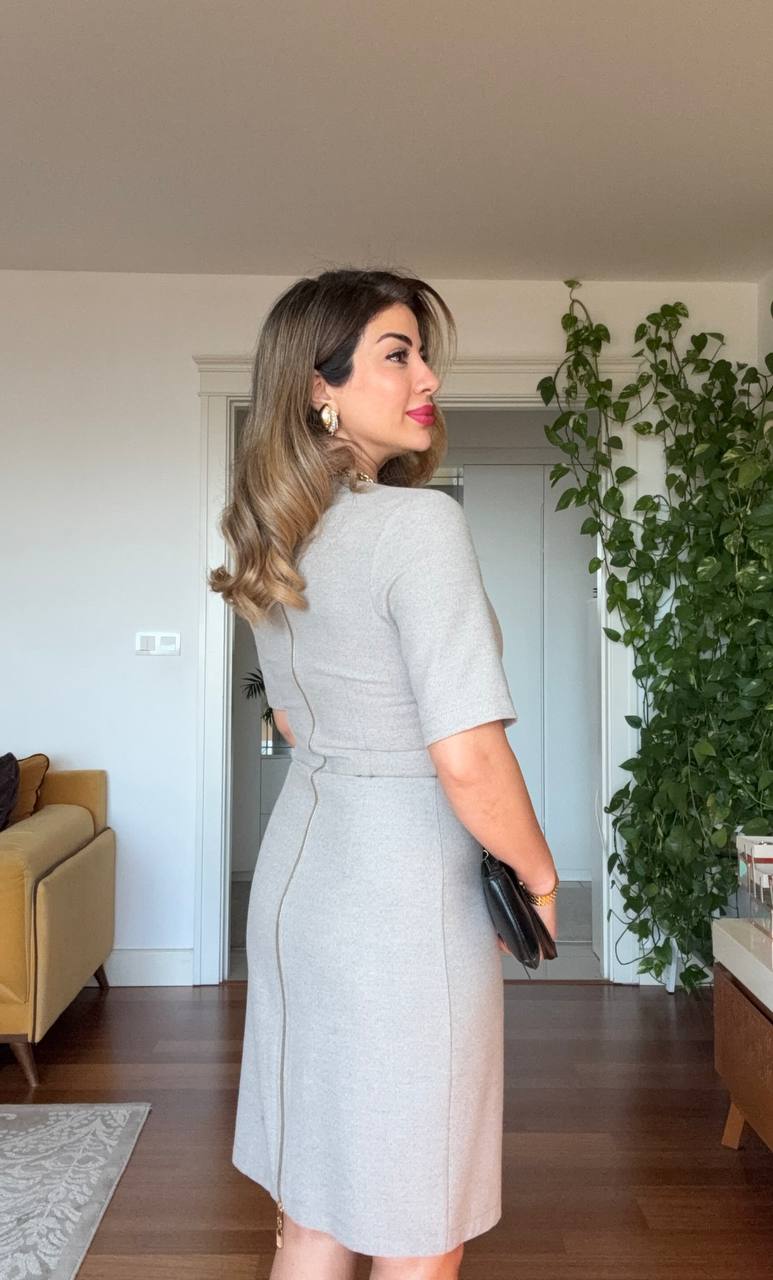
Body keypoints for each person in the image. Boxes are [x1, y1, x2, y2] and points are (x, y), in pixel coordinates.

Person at [209, 267, 559, 1280]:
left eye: (421, 354)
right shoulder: (417, 525)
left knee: (313, 1205)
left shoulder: (275, 535)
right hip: (400, 896)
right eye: (396, 354)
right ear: (318, 386)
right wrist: (538, 875)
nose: (427, 377)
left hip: (301, 878)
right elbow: (465, 753)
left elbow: (290, 717)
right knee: (418, 1215)